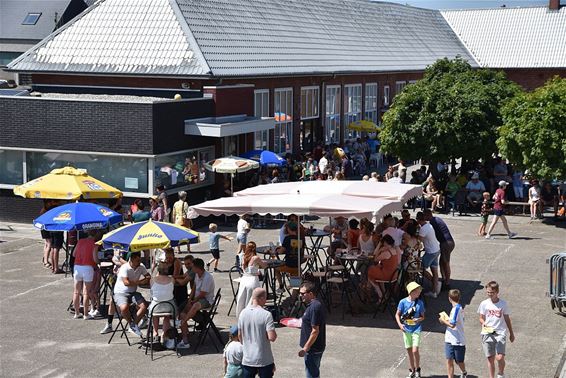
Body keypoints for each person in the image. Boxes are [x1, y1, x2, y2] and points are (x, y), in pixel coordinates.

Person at [478, 281, 515, 378]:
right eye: (488, 292)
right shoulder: (484, 303)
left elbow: (507, 319)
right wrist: (484, 322)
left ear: (497, 292)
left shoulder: (503, 304)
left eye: (492, 292)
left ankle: (501, 373)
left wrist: (511, 333)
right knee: (490, 358)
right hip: (487, 332)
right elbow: (481, 318)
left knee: (499, 357)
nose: (489, 294)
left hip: (500, 332)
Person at [238, 288, 277, 378]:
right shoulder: (266, 314)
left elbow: (240, 335)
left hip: (248, 358)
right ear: (262, 298)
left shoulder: (243, 313)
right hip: (264, 359)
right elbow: (272, 337)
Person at [178, 258, 215, 349]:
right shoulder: (197, 275)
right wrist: (190, 299)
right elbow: (194, 287)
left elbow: (203, 294)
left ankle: (183, 322)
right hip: (197, 298)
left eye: (193, 266)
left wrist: (193, 301)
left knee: (195, 305)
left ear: (197, 268)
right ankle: (185, 339)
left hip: (206, 300)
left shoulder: (207, 277)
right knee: (182, 311)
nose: (191, 268)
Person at [113, 252, 150, 338]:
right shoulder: (124, 268)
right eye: (137, 260)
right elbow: (126, 282)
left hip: (133, 292)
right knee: (124, 308)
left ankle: (134, 325)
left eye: (140, 260)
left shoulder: (141, 266)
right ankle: (131, 324)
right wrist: (140, 282)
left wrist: (146, 279)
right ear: (131, 260)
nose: (139, 262)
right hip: (121, 292)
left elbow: (148, 277)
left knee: (144, 306)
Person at [395, 282, 425, 378]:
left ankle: (417, 369)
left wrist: (418, 319)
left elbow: (423, 317)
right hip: (406, 329)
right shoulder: (402, 302)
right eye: (417, 291)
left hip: (416, 329)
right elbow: (397, 314)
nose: (419, 293)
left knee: (415, 350)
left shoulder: (420, 303)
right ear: (411, 292)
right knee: (409, 350)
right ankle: (412, 370)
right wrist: (400, 325)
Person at [298, 282, 326, 378]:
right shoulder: (312, 305)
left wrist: (306, 348)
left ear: (311, 294)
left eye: (302, 293)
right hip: (314, 348)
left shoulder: (314, 307)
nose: (300, 295)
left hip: (313, 349)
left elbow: (315, 331)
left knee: (312, 375)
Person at [148, 259, 177, 350]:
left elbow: (152, 292)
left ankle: (155, 332)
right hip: (169, 306)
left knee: (155, 315)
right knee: (167, 316)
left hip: (156, 307)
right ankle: (163, 333)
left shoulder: (152, 280)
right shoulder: (172, 279)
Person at [439, 289, 467, 378]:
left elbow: (452, 325)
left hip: (458, 339)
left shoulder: (456, 309)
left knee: (459, 361)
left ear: (449, 298)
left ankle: (464, 372)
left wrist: (443, 320)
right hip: (449, 339)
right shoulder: (457, 308)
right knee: (449, 359)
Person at [71, 230, 100, 319]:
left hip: (77, 266)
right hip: (88, 267)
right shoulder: (95, 244)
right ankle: (86, 314)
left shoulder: (80, 241)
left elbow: (74, 254)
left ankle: (76, 313)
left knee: (76, 291)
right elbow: (95, 259)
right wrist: (99, 262)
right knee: (86, 292)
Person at [424, 209, 455, 289]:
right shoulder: (437, 219)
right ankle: (444, 279)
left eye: (424, 216)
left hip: (445, 243)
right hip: (448, 242)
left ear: (427, 215)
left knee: (446, 263)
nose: (424, 218)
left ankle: (447, 283)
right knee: (442, 262)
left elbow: (430, 235)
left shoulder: (432, 222)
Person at [236, 242, 268, 318]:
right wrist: (265, 263)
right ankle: (251, 317)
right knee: (252, 301)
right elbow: (263, 266)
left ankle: (242, 316)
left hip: (244, 280)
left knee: (242, 300)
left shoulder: (243, 256)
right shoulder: (255, 258)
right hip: (252, 280)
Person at [416, 212, 441, 298]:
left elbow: (418, 242)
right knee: (434, 271)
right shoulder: (429, 225)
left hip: (431, 252)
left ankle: (435, 284)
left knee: (419, 268)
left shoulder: (423, 229)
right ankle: (434, 289)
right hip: (436, 249)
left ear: (418, 220)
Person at [275, 222, 305, 292]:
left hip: (288, 265)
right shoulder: (301, 238)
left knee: (276, 269)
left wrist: (276, 250)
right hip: (297, 265)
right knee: (296, 287)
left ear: (288, 229)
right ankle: (293, 301)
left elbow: (280, 252)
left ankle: (281, 286)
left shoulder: (287, 238)